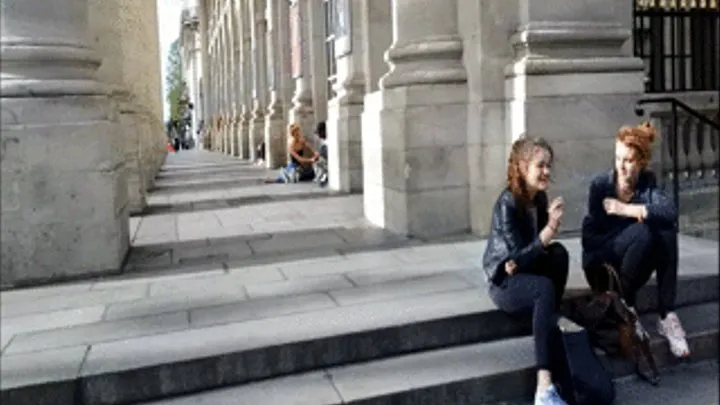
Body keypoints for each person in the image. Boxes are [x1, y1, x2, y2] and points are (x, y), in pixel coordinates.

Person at [580, 122, 689, 358]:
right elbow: (590, 240)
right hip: (603, 266)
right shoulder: (601, 186)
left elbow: (670, 210)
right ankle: (626, 309)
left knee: (666, 230)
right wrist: (632, 229)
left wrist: (626, 210)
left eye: (628, 160)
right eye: (618, 158)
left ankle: (667, 314)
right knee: (643, 232)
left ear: (640, 163)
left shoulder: (646, 183)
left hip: (635, 260)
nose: (621, 166)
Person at [482, 135, 569, 405]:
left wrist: (542, 240)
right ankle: (543, 388)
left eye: (548, 165)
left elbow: (530, 254)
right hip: (503, 284)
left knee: (559, 254)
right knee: (542, 286)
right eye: (540, 166)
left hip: (522, 272)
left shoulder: (539, 199)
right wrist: (547, 232)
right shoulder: (508, 203)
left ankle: (549, 315)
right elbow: (516, 258)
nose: (546, 172)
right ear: (522, 167)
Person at [314, 121, 328, 186]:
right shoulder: (323, 141)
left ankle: (323, 178)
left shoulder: (328, 141)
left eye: (319, 133)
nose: (318, 135)